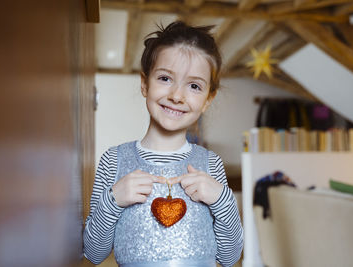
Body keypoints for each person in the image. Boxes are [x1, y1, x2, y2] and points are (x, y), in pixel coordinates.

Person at [83, 21, 243, 267]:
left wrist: (222, 200)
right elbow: (93, 254)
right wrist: (113, 200)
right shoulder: (113, 161)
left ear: (208, 99)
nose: (177, 96)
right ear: (145, 83)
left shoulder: (210, 164)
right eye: (166, 78)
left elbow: (230, 257)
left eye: (194, 86)